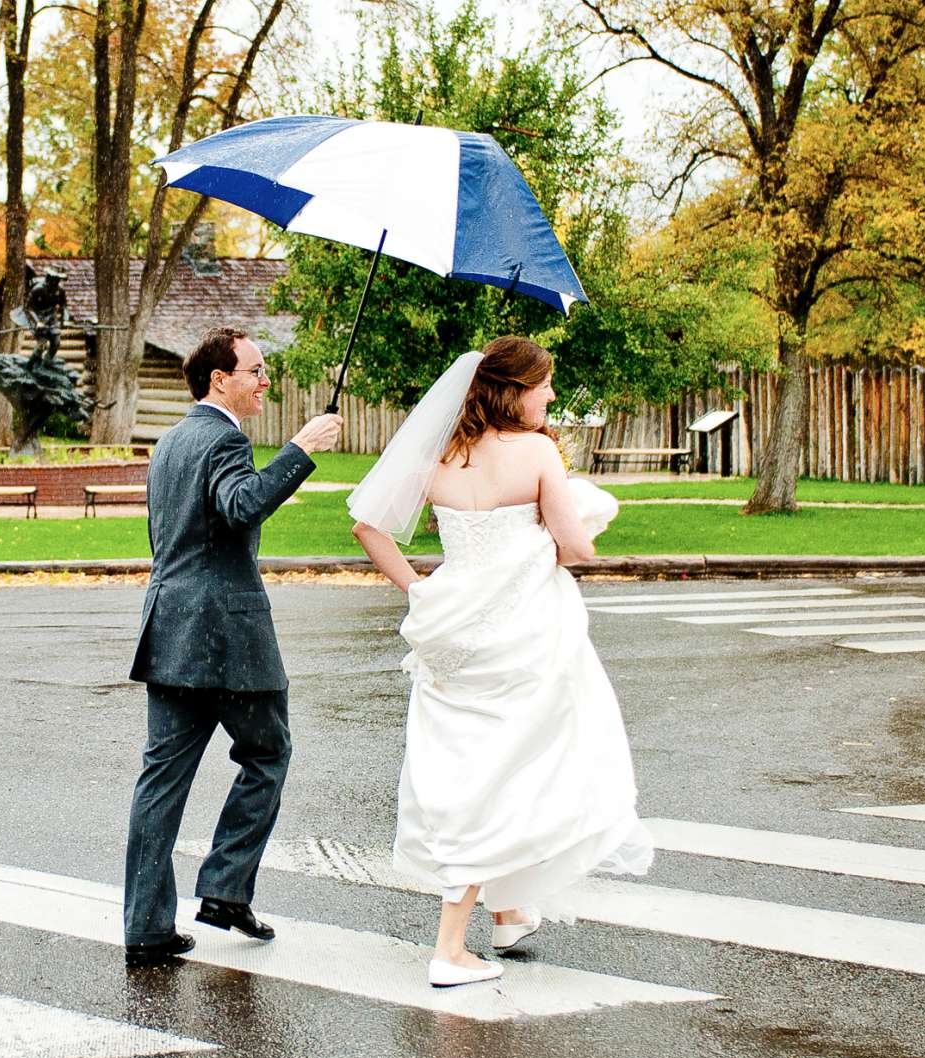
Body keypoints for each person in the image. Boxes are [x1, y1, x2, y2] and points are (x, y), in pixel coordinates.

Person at [348, 336, 652, 988]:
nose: (551, 396)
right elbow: (573, 549)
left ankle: (510, 910)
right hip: (525, 633)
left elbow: (367, 526)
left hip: (454, 628)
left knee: (477, 763)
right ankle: (450, 949)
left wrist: (418, 588)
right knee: (510, 770)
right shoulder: (539, 452)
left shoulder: (442, 456)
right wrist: (582, 529)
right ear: (515, 391)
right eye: (544, 385)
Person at [121, 327, 344, 968]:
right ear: (221, 378)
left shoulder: (170, 441)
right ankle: (222, 889)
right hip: (229, 637)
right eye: (256, 369)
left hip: (169, 631)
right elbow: (241, 506)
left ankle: (146, 926)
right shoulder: (223, 438)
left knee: (160, 782)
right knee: (269, 753)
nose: (265, 379)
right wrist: (300, 448)